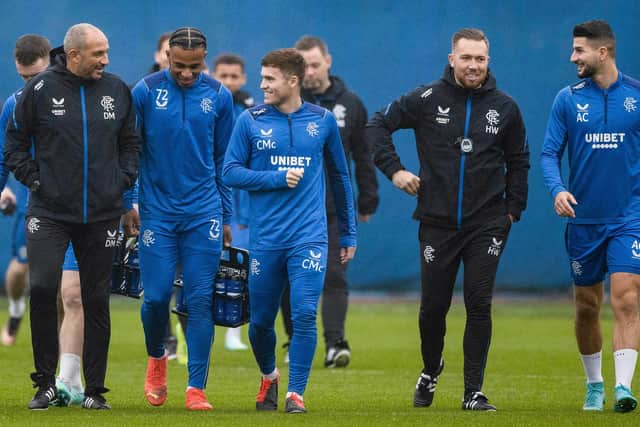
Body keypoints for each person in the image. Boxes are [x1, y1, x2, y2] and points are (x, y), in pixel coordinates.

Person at [367, 28, 529, 411]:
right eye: (467, 58)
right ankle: (430, 368)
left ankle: (473, 391)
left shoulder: (505, 107)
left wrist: (512, 212)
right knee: (433, 309)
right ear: (452, 58)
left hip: (487, 223)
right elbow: (376, 126)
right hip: (437, 223)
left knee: (479, 303)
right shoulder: (426, 99)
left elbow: (519, 160)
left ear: (488, 61)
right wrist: (395, 171)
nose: (474, 66)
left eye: (481, 59)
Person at [4, 23, 141, 410]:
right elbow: (13, 144)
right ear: (75, 54)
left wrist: (122, 182)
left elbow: (130, 144)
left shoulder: (117, 90)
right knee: (44, 289)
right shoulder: (39, 90)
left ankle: (95, 391)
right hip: (49, 212)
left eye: (107, 51)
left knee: (96, 298)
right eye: (98, 53)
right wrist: (34, 179)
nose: (106, 60)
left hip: (100, 214)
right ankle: (45, 383)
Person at [223, 48, 357, 413]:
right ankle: (269, 376)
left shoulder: (323, 121)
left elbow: (341, 178)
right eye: (262, 77)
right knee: (261, 322)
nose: (262, 85)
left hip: (309, 236)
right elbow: (230, 172)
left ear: (292, 80)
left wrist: (348, 233)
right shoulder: (250, 120)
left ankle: (295, 393)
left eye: (269, 79)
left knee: (302, 314)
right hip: (265, 239)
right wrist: (275, 178)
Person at [132, 27, 234, 411]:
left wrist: (226, 214)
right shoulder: (143, 91)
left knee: (199, 301)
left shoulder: (220, 97)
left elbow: (225, 159)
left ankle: (196, 388)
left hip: (203, 212)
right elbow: (130, 151)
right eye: (179, 66)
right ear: (165, 58)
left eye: (195, 66)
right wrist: (131, 203)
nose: (187, 74)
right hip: (157, 212)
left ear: (205, 59)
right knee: (156, 297)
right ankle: (157, 357)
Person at [541, 20, 640, 413]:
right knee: (586, 305)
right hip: (583, 222)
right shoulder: (566, 99)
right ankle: (594, 385)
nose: (572, 57)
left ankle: (622, 388)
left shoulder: (636, 97)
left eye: (579, 50)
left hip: (628, 217)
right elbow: (549, 154)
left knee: (628, 298)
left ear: (603, 52)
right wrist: (558, 189)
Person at [278, 35, 379, 368]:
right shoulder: (286, 103)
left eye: (315, 64)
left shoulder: (350, 103)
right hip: (291, 208)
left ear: (328, 62)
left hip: (333, 208)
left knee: (334, 275)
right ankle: (295, 341)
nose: (309, 72)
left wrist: (368, 198)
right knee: (291, 278)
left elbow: (363, 155)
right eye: (303, 66)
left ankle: (335, 344)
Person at [212, 52, 254, 351]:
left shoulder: (253, 111)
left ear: (243, 79)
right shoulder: (208, 104)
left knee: (240, 264)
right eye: (222, 76)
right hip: (210, 196)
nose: (228, 82)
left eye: (233, 76)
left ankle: (234, 330)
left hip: (242, 202)